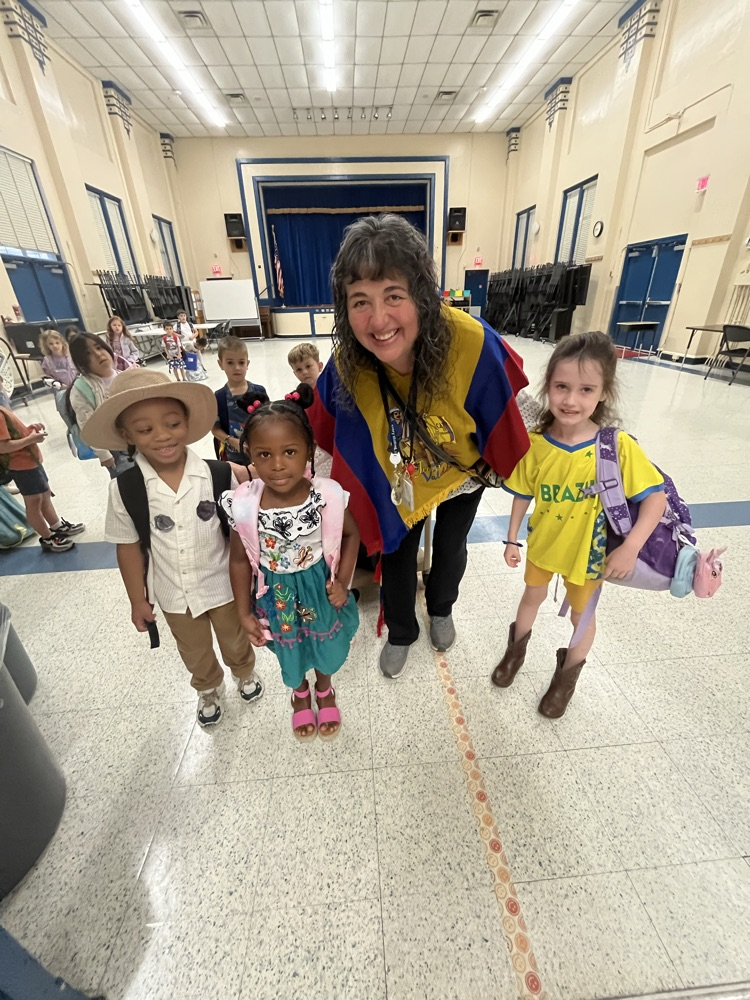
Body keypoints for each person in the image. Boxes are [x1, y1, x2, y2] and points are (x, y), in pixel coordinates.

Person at [309, 214, 530, 679]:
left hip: (461, 476)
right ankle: (403, 630)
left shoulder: (470, 342)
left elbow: (512, 413)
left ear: (422, 296)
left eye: (394, 296)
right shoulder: (347, 364)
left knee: (450, 548)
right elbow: (320, 433)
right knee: (396, 550)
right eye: (360, 302)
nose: (379, 320)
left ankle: (442, 606)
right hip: (398, 479)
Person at [493, 330, 667, 717]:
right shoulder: (537, 444)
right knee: (531, 598)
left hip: (589, 554)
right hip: (543, 544)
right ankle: (514, 654)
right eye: (561, 386)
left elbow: (655, 499)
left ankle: (566, 679)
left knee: (581, 615)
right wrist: (511, 540)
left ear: (604, 392)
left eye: (586, 389)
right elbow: (523, 492)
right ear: (548, 386)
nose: (571, 400)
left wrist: (631, 546)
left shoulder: (615, 446)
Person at [81, 368, 264, 727]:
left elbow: (243, 532)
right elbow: (128, 547)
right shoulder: (125, 489)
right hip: (172, 592)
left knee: (235, 636)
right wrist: (137, 598)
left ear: (187, 422)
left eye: (172, 424)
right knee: (192, 648)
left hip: (224, 584)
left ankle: (244, 672)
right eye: (146, 429)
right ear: (125, 433)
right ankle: (207, 686)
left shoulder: (218, 474)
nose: (162, 436)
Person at [222, 384, 359, 740]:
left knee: (325, 644)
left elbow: (350, 535)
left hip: (317, 589)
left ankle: (324, 688)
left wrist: (342, 581)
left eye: (289, 451)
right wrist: (242, 611)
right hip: (277, 593)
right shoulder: (246, 505)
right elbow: (239, 561)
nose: (278, 464)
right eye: (264, 455)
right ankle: (300, 693)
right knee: (289, 644)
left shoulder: (326, 496)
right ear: (250, 453)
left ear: (308, 451)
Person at [0, 405, 84, 552]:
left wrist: (28, 430)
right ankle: (47, 537)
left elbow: (12, 432)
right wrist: (31, 439)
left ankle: (56, 526)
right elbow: (3, 447)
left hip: (30, 461)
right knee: (34, 501)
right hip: (21, 465)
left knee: (44, 495)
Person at [69, 333, 131, 478]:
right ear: (81, 362)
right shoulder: (82, 388)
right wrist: (104, 454)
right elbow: (87, 425)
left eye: (98, 347)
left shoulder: (122, 375)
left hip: (136, 440)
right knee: (128, 483)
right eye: (88, 353)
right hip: (114, 449)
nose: (98, 354)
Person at [211, 336, 266, 467]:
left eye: (241, 362)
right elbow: (215, 429)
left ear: (248, 364)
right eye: (230, 363)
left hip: (260, 453)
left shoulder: (259, 391)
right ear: (221, 364)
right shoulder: (218, 397)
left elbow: (267, 421)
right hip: (232, 458)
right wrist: (232, 441)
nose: (237, 368)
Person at [287, 342, 331, 477]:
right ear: (294, 373)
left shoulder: (329, 391)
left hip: (334, 447)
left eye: (308, 366)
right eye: (299, 370)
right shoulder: (295, 399)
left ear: (319, 366)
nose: (305, 372)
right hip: (315, 451)